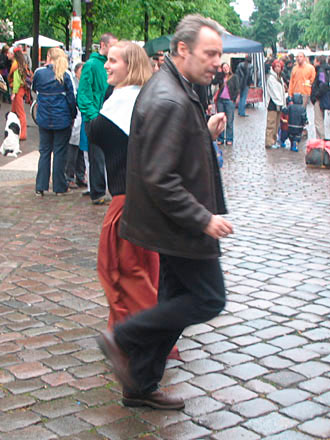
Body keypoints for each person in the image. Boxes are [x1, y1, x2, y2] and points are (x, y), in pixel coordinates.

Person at [97, 14, 233, 411]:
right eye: (210, 54)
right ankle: (123, 337)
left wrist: (203, 133)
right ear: (183, 50)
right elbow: (159, 178)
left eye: (219, 55)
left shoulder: (178, 88)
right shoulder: (169, 97)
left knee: (174, 302)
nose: (217, 62)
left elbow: (168, 156)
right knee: (208, 299)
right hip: (180, 227)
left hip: (173, 226)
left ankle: (139, 384)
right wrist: (204, 219)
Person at [77, 32, 118, 205]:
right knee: (97, 156)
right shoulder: (92, 65)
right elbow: (83, 94)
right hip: (96, 118)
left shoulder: (108, 65)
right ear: (103, 45)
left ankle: (103, 190)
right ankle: (98, 192)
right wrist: (94, 117)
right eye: (112, 45)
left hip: (107, 116)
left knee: (106, 155)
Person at [33, 48, 77, 196]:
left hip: (44, 118)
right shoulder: (66, 74)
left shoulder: (39, 73)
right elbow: (71, 98)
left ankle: (41, 185)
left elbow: (35, 89)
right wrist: (73, 115)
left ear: (48, 57)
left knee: (44, 151)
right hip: (62, 119)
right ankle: (59, 187)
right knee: (59, 152)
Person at [65, 62, 87, 189]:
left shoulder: (84, 83)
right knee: (72, 150)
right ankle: (69, 176)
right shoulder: (74, 83)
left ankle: (80, 175)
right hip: (76, 119)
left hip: (81, 120)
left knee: (81, 150)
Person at [213, 62, 240, 145]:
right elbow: (214, 82)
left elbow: (237, 88)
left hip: (229, 101)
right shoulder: (220, 77)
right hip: (220, 100)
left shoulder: (234, 77)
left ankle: (229, 139)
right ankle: (220, 138)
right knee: (221, 120)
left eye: (226, 67)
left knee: (229, 121)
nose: (225, 69)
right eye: (223, 67)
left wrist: (233, 99)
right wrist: (218, 73)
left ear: (229, 68)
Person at [265, 59, 286, 149]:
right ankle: (269, 142)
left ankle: (274, 140)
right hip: (273, 104)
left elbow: (282, 91)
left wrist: (283, 103)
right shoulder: (271, 78)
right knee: (271, 123)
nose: (278, 68)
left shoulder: (280, 78)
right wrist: (280, 101)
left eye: (279, 66)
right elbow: (274, 92)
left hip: (279, 104)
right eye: (276, 66)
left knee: (277, 124)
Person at [9, 47, 29, 140]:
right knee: (15, 112)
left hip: (18, 91)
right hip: (21, 90)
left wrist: (14, 92)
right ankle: (13, 130)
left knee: (19, 112)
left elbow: (16, 80)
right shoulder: (22, 64)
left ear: (13, 55)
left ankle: (22, 134)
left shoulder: (15, 65)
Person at [311, 55, 330, 140]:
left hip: (319, 99)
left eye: (315, 60)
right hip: (323, 98)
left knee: (318, 121)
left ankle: (320, 140)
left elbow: (323, 84)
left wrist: (316, 95)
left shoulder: (321, 71)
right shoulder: (325, 70)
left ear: (318, 61)